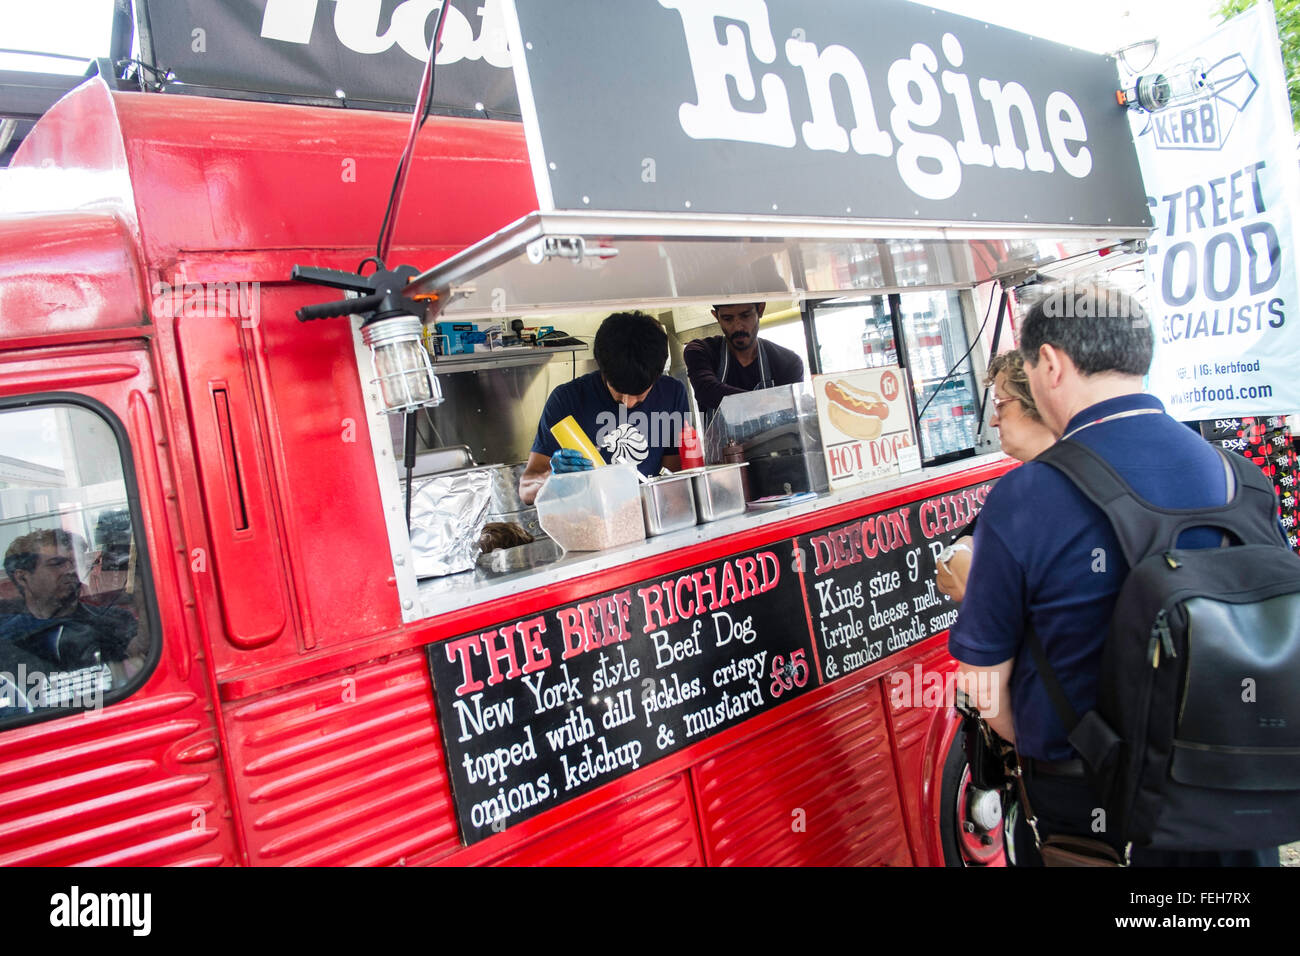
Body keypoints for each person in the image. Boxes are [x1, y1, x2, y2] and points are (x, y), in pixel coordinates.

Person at [947, 281, 1277, 866]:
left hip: (1093, 814)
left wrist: (1053, 751)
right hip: (1235, 799)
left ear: (1049, 363)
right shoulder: (1242, 478)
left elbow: (982, 680)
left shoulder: (1024, 497)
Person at [519, 311, 688, 506]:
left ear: (657, 376)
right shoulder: (566, 401)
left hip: (652, 518)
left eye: (639, 393)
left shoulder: (671, 393)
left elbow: (675, 484)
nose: (628, 403)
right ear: (602, 370)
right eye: (618, 390)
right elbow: (526, 492)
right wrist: (554, 479)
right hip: (589, 524)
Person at [936, 350, 1056, 601]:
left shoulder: (1067, 483)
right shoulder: (1018, 489)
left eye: (1000, 405)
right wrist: (957, 555)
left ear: (1039, 403)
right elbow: (959, 548)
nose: (992, 420)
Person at [0, 529, 139, 672]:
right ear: (22, 577)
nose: (71, 570)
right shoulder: (8, 635)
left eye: (75, 562)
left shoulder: (116, 621)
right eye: (57, 563)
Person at [683, 302, 804, 418]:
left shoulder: (789, 362)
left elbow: (794, 413)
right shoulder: (701, 350)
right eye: (727, 318)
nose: (738, 326)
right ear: (716, 317)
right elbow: (707, 390)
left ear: (760, 309)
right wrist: (770, 402)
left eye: (745, 315)